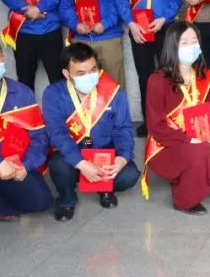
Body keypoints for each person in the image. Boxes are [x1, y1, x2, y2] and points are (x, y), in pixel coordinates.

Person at [0, 35, 52, 246]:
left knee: (40, 201)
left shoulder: (22, 93)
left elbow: (39, 136)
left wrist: (26, 165)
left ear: (3, 60)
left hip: (12, 165)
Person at [143, 21, 210, 215]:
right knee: (203, 153)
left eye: (194, 41)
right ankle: (184, 199)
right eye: (184, 42)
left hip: (202, 138)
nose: (191, 46)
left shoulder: (204, 75)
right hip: (166, 145)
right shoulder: (157, 80)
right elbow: (156, 126)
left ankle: (203, 172)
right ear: (172, 46)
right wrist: (189, 140)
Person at [42, 43, 140, 221]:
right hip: (73, 153)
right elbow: (57, 134)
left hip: (105, 153)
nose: (89, 76)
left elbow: (123, 128)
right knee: (58, 166)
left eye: (93, 70)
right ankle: (66, 200)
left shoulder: (112, 91)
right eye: (81, 73)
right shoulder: (53, 94)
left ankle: (104, 188)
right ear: (67, 74)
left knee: (129, 175)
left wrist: (122, 158)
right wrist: (81, 163)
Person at [116, 0, 182, 137]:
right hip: (139, 28)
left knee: (169, 74)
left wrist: (164, 18)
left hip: (165, 26)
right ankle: (149, 121)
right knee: (145, 76)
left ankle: (171, 118)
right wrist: (131, 23)